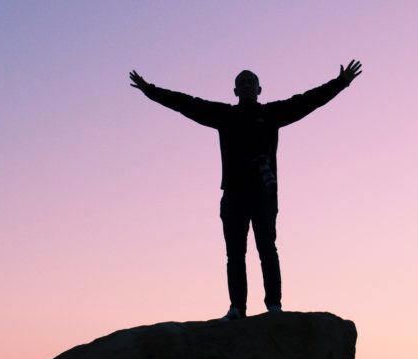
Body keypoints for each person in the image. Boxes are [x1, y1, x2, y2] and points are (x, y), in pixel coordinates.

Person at [129, 60, 362, 321]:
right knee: (235, 254)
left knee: (267, 249)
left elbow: (307, 101)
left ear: (259, 89)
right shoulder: (225, 116)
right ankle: (237, 308)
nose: (247, 85)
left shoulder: (272, 114)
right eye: (242, 82)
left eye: (251, 82)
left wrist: (340, 83)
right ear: (235, 91)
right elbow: (187, 104)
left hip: (263, 194)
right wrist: (150, 90)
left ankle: (274, 306)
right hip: (234, 195)